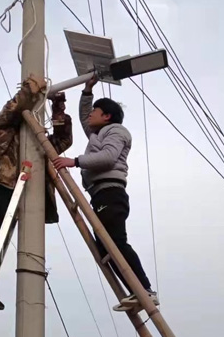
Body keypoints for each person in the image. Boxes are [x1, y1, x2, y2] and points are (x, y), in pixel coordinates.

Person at [0, 75, 72, 310]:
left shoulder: (37, 144)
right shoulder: (6, 126)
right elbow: (15, 106)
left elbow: (63, 139)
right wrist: (32, 87)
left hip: (13, 189)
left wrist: (58, 107)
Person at [53, 75, 158, 311]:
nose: (90, 115)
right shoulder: (97, 134)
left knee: (116, 242)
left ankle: (145, 290)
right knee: (105, 247)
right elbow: (84, 115)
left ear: (107, 116)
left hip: (111, 193)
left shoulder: (117, 132)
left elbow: (109, 157)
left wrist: (75, 161)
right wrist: (87, 90)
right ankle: (136, 292)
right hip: (100, 195)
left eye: (95, 111)